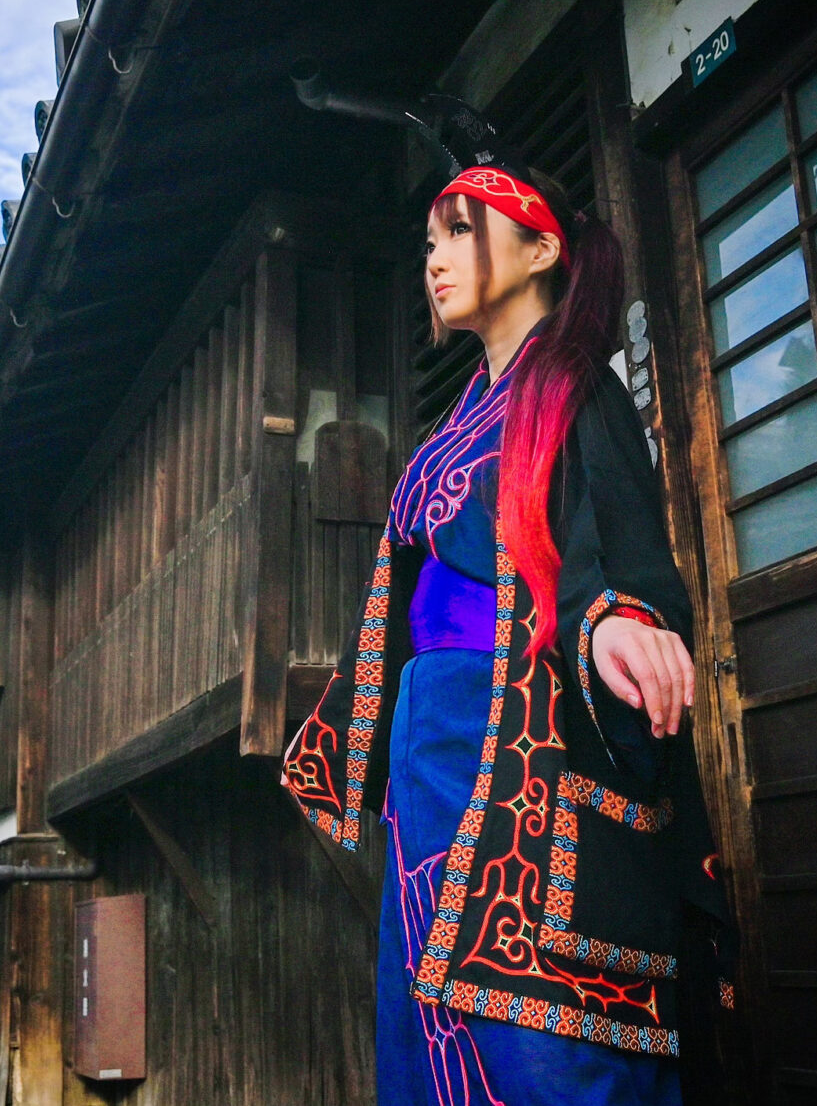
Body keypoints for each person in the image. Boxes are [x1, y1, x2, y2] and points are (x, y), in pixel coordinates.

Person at [282, 152, 734, 1106]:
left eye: (460, 230)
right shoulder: (447, 429)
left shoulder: (577, 388)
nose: (435, 258)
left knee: (534, 1034)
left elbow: (620, 548)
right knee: (432, 1024)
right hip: (431, 744)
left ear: (539, 249)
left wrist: (617, 621)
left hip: (518, 735)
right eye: (428, 241)